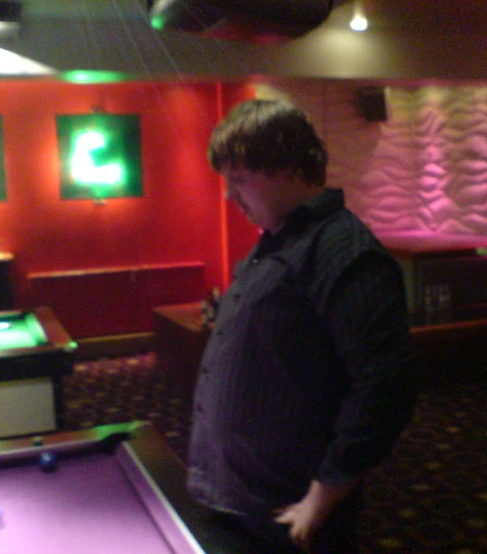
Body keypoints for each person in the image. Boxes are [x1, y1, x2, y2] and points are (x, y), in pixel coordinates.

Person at [187, 99, 416, 553]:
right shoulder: (279, 239)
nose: (230, 196)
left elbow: (386, 387)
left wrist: (322, 496)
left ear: (289, 167)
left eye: (240, 180)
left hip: (284, 513)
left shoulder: (346, 252)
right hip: (238, 500)